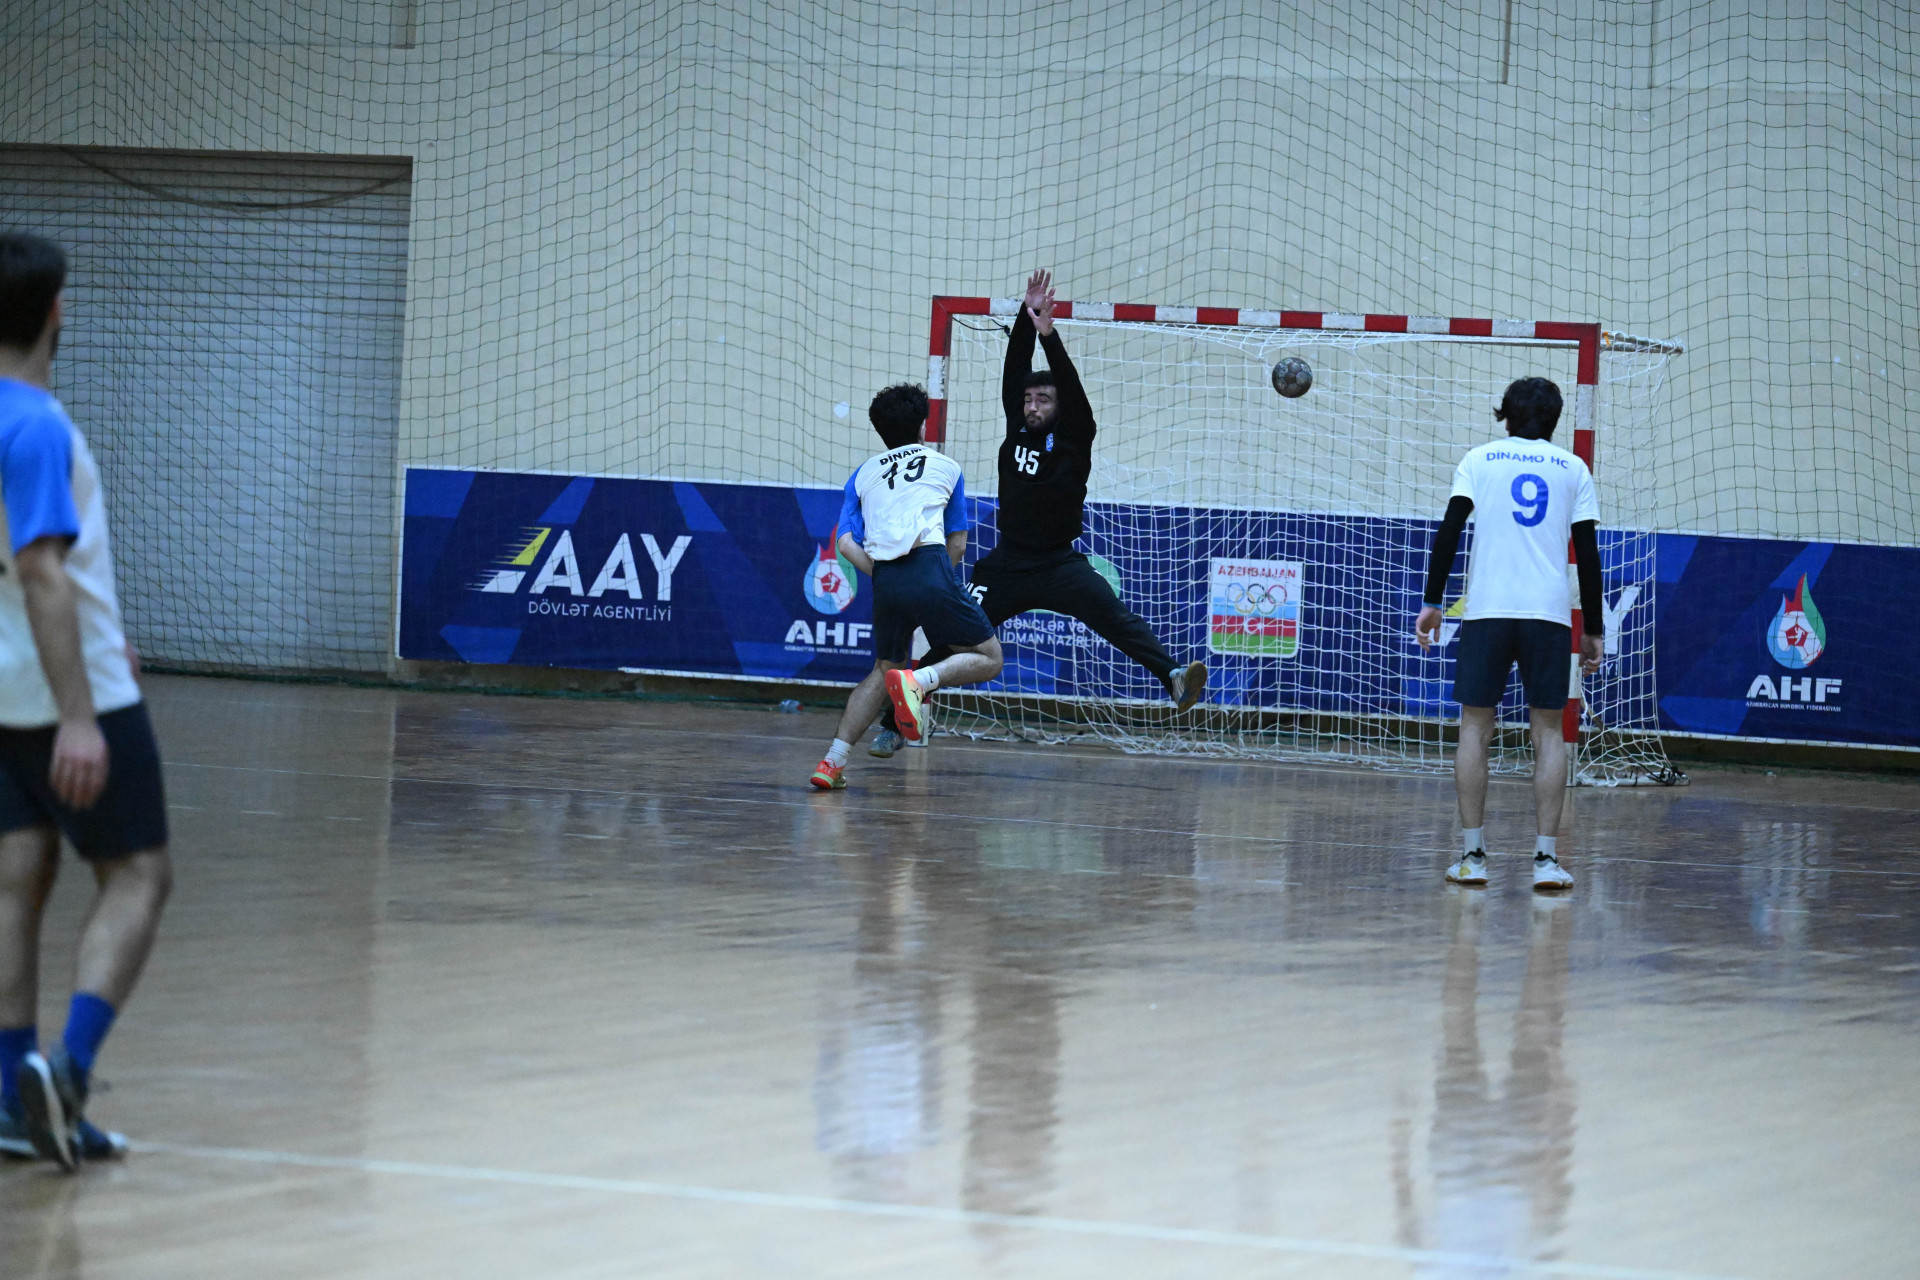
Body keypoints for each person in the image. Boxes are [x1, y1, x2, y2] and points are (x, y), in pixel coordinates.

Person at [868, 270, 1205, 757]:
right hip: (1006, 565)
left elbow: (1068, 387)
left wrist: (1050, 335)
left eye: (1042, 399)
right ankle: (895, 724)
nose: (1031, 404)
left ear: (1060, 407)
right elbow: (1015, 370)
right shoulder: (1017, 428)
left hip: (1059, 565)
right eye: (1028, 399)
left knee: (1115, 616)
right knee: (954, 640)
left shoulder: (1076, 436)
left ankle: (1172, 677)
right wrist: (1027, 320)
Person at [0, 233, 173, 1169]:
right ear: (56, 311)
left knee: (14, 878)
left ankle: (8, 1100)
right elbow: (41, 573)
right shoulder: (34, 426)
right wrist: (78, 712)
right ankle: (65, 1076)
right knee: (139, 875)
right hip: (73, 694)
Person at [1416, 376, 1603, 892]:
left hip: (1487, 612)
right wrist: (1593, 628)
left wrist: (1432, 602)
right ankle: (1546, 861)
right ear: (1556, 419)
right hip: (1549, 616)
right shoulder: (1573, 468)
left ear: (1505, 415)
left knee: (1474, 729)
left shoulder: (1479, 460)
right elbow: (1587, 555)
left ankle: (1473, 856)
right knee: (1549, 733)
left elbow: (1449, 532)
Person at [809, 383, 1003, 790]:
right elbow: (958, 544)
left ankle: (831, 762)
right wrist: (937, 583)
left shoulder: (861, 475)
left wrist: (883, 576)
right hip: (930, 567)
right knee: (989, 657)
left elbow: (845, 543)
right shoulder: (946, 467)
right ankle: (921, 682)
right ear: (922, 426)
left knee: (884, 669)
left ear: (880, 430)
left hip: (887, 579)